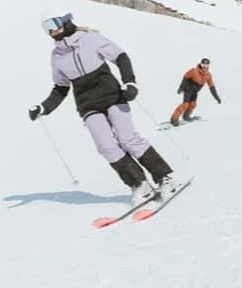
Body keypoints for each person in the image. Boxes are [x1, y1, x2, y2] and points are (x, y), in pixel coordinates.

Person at [28, 11, 179, 205]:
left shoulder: (89, 38)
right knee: (106, 146)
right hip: (87, 104)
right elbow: (61, 88)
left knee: (128, 139)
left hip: (112, 96)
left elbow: (121, 57)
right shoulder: (57, 56)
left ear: (65, 20)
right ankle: (140, 184)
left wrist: (130, 82)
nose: (52, 30)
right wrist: (43, 107)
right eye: (46, 28)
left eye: (54, 23)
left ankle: (164, 178)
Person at [170, 58, 221, 127]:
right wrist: (181, 88)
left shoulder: (208, 75)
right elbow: (185, 77)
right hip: (188, 89)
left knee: (193, 104)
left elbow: (211, 87)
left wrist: (217, 97)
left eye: (206, 65)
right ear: (200, 64)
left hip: (195, 91)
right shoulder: (194, 71)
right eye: (203, 65)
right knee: (185, 104)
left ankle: (186, 116)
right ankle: (174, 119)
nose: (204, 67)